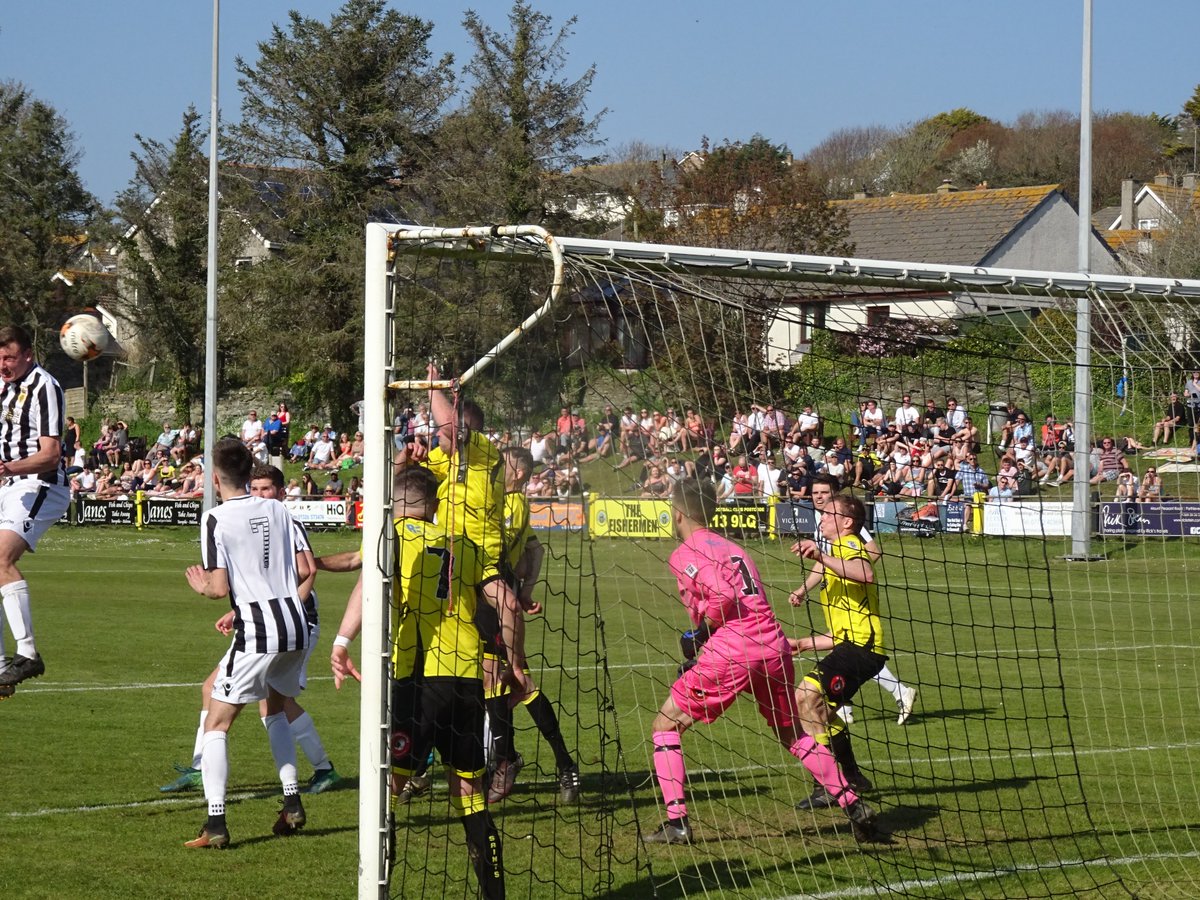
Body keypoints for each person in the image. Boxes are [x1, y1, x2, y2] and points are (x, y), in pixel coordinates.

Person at [644, 479, 878, 845]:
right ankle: (852, 803)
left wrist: (702, 633)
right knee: (794, 735)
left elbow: (721, 597)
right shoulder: (734, 547)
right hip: (773, 645)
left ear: (676, 514)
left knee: (666, 725)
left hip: (734, 649)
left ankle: (676, 822)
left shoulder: (686, 552)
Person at [327, 466, 508, 899]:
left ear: (397, 499)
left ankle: (378, 888)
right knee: (469, 789)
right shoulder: (461, 543)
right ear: (434, 504)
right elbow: (505, 599)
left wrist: (341, 641)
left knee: (389, 785)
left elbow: (367, 587)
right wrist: (511, 660)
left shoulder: (392, 536)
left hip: (418, 676)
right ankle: (494, 894)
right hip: (465, 676)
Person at [160, 465, 341, 796]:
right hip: (266, 621)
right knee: (214, 688)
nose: (260, 494)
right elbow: (260, 583)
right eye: (254, 488)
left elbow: (306, 571)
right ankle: (202, 767)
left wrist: (281, 608)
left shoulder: (284, 519)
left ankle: (322, 768)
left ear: (281, 492)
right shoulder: (251, 519)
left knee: (275, 704)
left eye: (267, 489)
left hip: (293, 622)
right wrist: (239, 610)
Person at [180, 440, 312, 848]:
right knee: (273, 710)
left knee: (217, 722)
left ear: (215, 478)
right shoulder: (276, 508)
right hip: (296, 624)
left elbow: (219, 589)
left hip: (258, 628)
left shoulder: (215, 518)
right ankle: (291, 801)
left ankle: (215, 823)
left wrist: (203, 587)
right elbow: (301, 567)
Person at [786, 495, 892, 840]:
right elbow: (837, 635)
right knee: (818, 709)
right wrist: (802, 643)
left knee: (806, 697)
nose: (822, 517)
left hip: (863, 650)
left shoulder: (848, 546)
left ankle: (828, 784)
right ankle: (851, 777)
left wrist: (820, 556)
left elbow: (867, 573)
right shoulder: (837, 555)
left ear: (847, 522)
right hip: (852, 646)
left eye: (828, 513)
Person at [497, 447, 581, 801]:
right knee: (495, 684)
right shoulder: (504, 500)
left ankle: (560, 764)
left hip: (499, 601)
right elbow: (536, 550)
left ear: (516, 473)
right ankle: (508, 758)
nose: (496, 471)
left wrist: (520, 590)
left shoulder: (512, 502)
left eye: (502, 466)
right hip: (492, 599)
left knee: (516, 679)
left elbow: (499, 552)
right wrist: (528, 589)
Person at [0, 326, 73, 697]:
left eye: (9, 357)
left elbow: (51, 453)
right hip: (8, 484)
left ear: (28, 354)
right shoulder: (5, 387)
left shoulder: (45, 387)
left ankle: (28, 653)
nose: (3, 365)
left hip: (40, 485)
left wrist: (9, 468)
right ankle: (1, 668)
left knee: (2, 557)